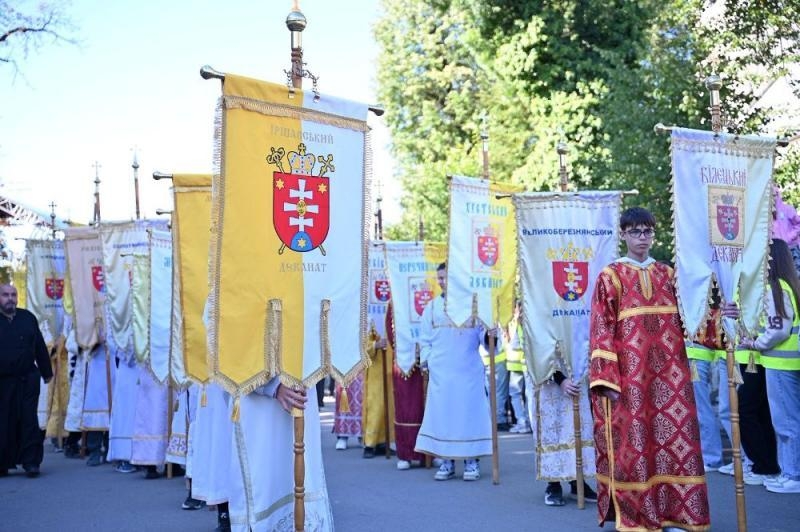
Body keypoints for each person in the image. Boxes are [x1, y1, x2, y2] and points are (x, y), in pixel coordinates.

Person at [589, 208, 716, 530]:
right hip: (632, 377)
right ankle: (641, 514)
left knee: (675, 444)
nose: (642, 238)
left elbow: (692, 318)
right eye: (635, 232)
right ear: (624, 235)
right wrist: (607, 376)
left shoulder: (668, 274)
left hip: (671, 377)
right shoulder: (612, 276)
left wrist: (720, 317)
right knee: (637, 443)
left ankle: (677, 514)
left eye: (647, 231)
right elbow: (600, 327)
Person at [415, 262, 492, 481]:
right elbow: (425, 340)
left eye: (446, 277)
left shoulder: (474, 305)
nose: (441, 281)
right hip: (442, 375)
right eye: (439, 277)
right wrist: (432, 362)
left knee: (468, 415)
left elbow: (485, 340)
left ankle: (471, 462)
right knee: (444, 417)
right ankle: (447, 461)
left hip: (468, 371)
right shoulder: (431, 308)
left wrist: (490, 334)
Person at [738, 238, 800, 493]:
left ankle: (793, 474)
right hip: (784, 361)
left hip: (779, 361)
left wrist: (755, 343)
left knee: (786, 422)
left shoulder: (776, 287)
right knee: (786, 421)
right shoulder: (788, 285)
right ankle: (789, 471)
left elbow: (778, 329)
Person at [0, 283, 53, 478]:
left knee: (29, 419)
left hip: (27, 379)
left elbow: (39, 346)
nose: (10, 298)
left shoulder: (27, 318)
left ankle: (31, 462)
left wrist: (47, 372)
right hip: (3, 382)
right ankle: (3, 462)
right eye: (5, 295)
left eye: (13, 294)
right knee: (4, 421)